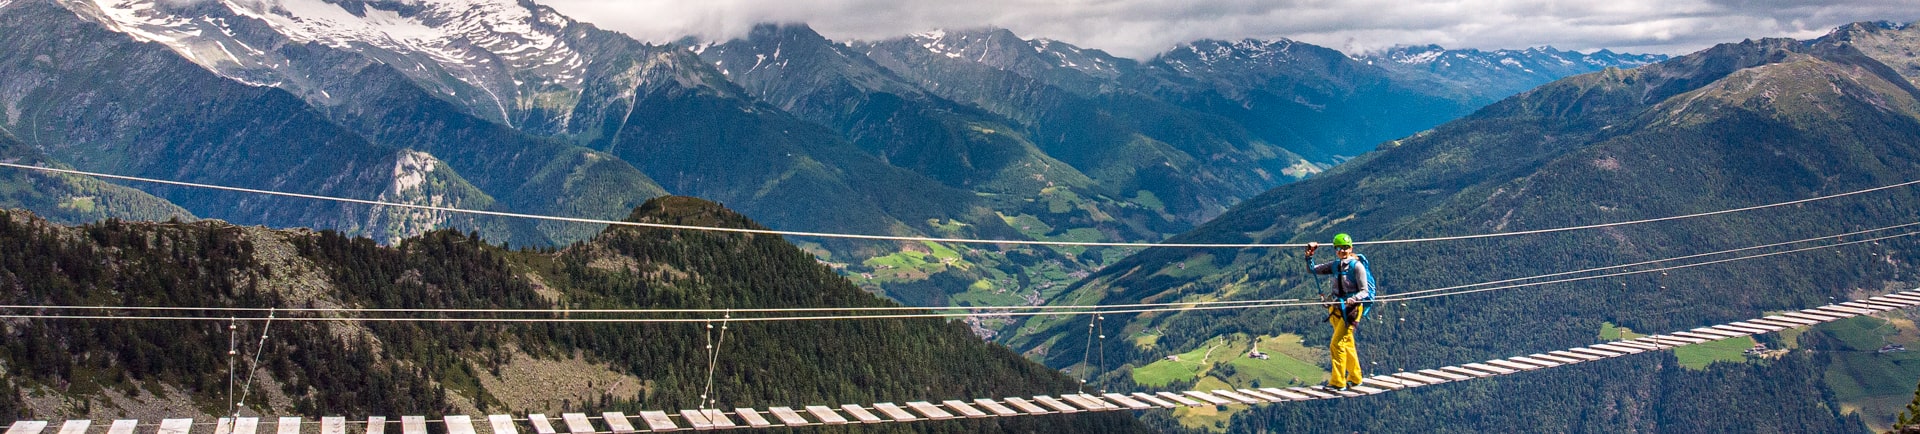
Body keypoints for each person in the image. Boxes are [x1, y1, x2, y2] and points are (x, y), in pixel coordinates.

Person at [1306, 233, 1371, 391]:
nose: (1343, 250)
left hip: (1352, 309)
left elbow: (1365, 291)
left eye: (1346, 247)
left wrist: (1354, 298)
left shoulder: (1357, 266)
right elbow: (1313, 270)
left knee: (1336, 344)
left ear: (1351, 248)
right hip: (1336, 308)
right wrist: (1309, 256)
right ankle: (1355, 378)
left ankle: (1338, 382)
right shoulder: (1335, 265)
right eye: (1339, 248)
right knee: (1347, 343)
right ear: (1335, 250)